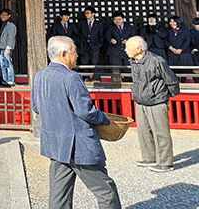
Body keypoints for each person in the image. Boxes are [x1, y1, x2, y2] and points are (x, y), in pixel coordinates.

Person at [31, 36, 121, 209]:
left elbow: (36, 107)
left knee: (59, 195)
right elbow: (84, 111)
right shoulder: (71, 77)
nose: (77, 55)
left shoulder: (40, 76)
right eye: (74, 51)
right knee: (106, 191)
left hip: (55, 143)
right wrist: (104, 119)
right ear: (64, 53)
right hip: (78, 144)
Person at [125, 36, 179, 173]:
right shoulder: (134, 61)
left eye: (128, 47)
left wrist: (165, 97)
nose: (126, 50)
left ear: (138, 49)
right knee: (143, 131)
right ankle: (149, 157)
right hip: (141, 101)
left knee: (161, 133)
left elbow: (171, 80)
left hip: (157, 100)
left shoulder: (156, 61)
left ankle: (166, 162)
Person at [0, 9, 17, 86]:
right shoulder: (2, 24)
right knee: (2, 64)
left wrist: (8, 48)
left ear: (9, 16)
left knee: (8, 63)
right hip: (1, 47)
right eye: (2, 15)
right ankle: (5, 80)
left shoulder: (10, 25)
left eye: (5, 15)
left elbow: (11, 37)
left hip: (6, 47)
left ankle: (11, 80)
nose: (3, 16)